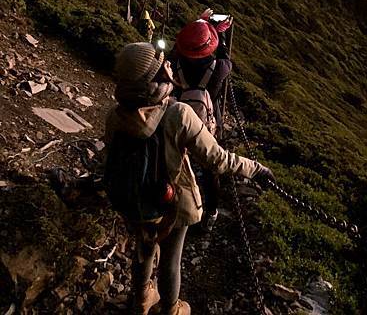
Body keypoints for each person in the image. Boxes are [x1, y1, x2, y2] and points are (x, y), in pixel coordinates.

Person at [105, 42, 274, 315]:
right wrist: (255, 169)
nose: (169, 64)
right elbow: (218, 159)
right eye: (163, 64)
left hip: (133, 201)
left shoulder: (114, 116)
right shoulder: (178, 114)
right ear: (155, 77)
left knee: (144, 248)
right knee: (172, 260)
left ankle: (141, 300)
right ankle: (171, 308)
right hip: (172, 204)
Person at [174, 9, 233, 231]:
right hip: (207, 121)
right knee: (210, 167)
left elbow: (178, 47)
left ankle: (172, 199)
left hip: (179, 115)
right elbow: (226, 59)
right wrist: (220, 34)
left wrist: (199, 22)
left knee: (176, 156)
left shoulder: (177, 60)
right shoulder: (218, 68)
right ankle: (211, 213)